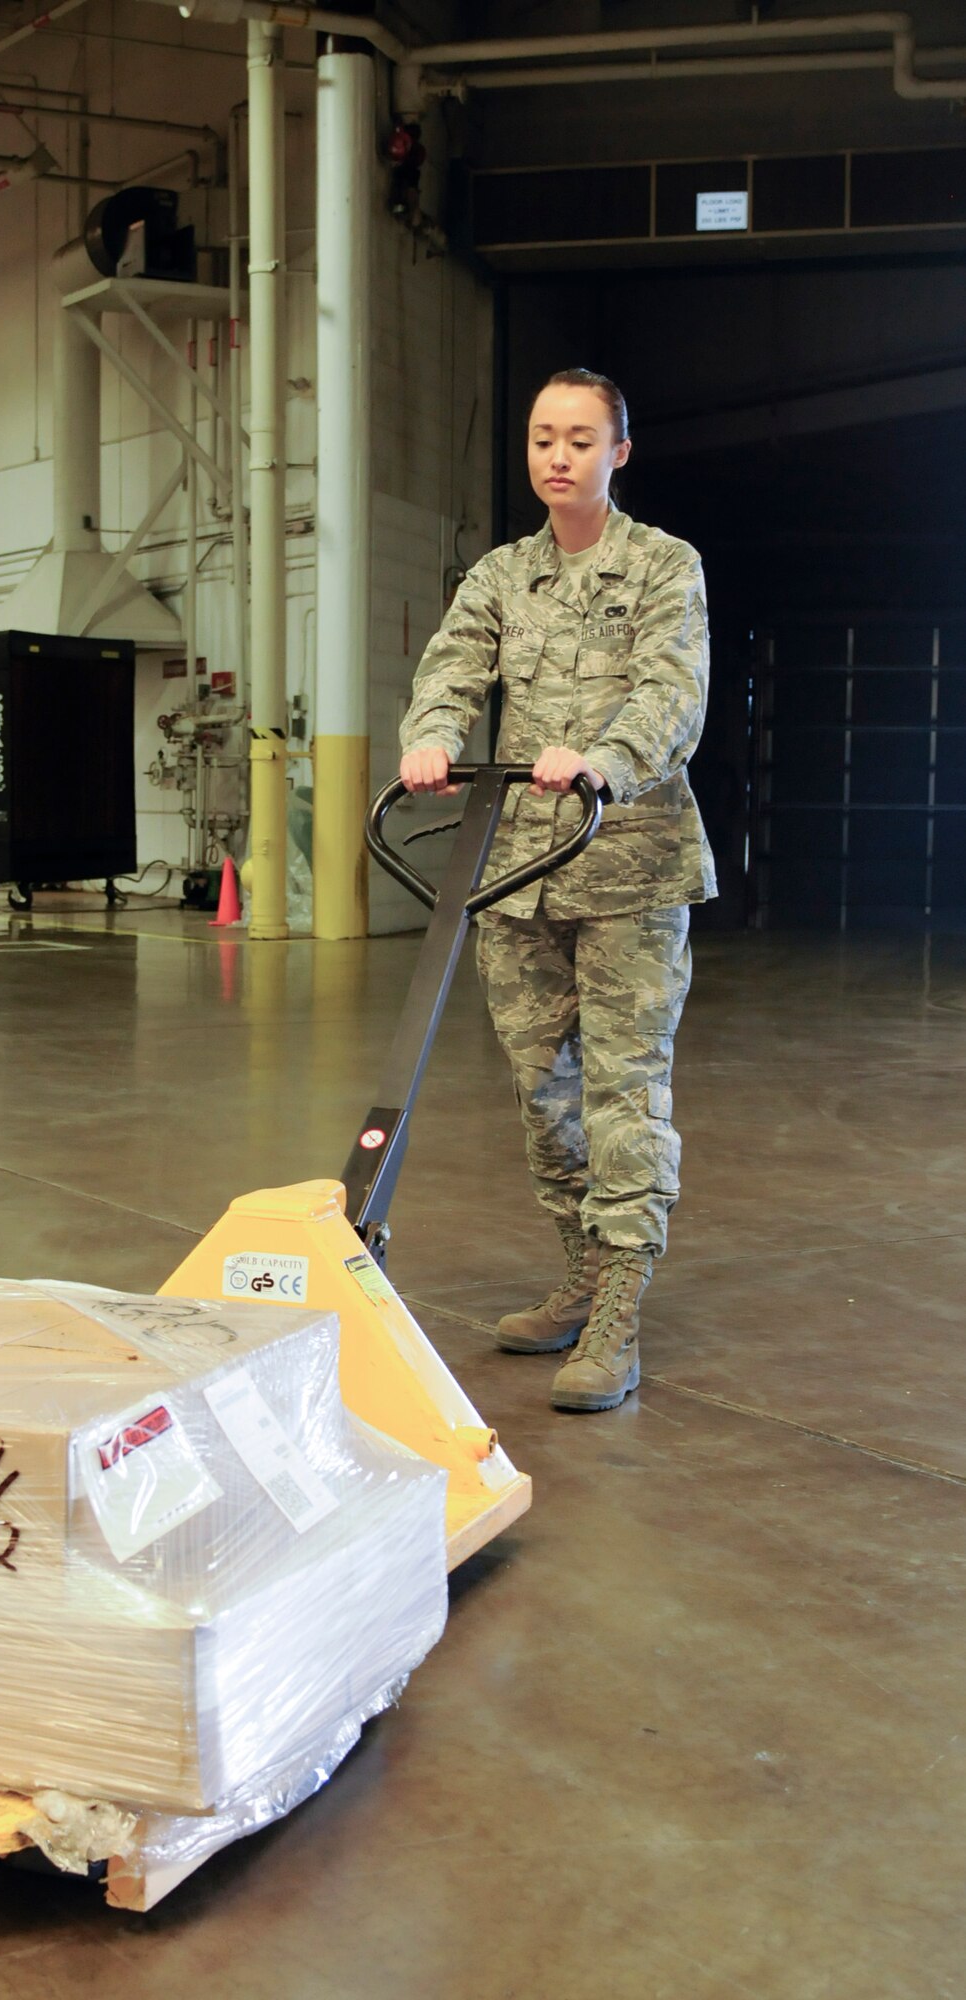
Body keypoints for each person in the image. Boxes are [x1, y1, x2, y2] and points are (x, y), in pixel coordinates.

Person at [398, 368, 716, 1413]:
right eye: (542, 437)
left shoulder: (663, 565)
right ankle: (577, 1271)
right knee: (543, 1092)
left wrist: (601, 758)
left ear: (618, 452)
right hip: (520, 871)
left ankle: (620, 1298)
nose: (557, 456)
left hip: (627, 864)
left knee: (624, 1089)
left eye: (580, 439)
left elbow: (671, 691)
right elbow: (453, 665)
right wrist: (432, 737)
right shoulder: (499, 575)